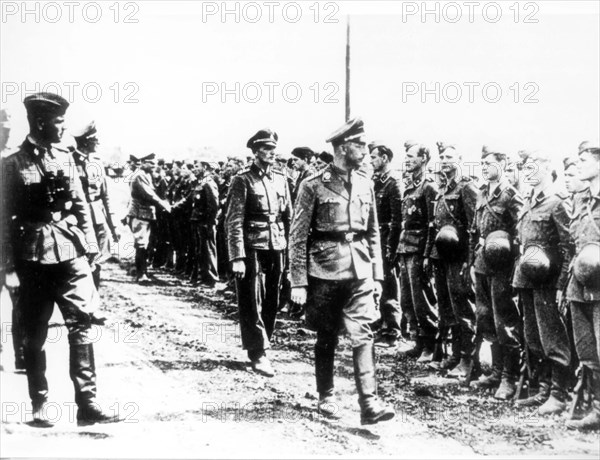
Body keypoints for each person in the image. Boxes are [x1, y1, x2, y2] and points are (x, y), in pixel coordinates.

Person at [0, 92, 121, 426]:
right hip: (33, 256)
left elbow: (81, 204)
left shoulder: (66, 157)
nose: (63, 128)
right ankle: (39, 404)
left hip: (70, 251)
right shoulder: (11, 164)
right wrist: (7, 268)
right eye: (58, 122)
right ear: (40, 122)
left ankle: (88, 403)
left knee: (83, 322)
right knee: (34, 331)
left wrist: (92, 247)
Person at [288, 117, 395, 425]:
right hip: (325, 270)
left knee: (363, 333)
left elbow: (373, 232)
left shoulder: (366, 183)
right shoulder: (312, 185)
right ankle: (326, 395)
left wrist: (377, 275)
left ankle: (369, 403)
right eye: (360, 145)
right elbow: (297, 236)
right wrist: (298, 281)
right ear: (344, 147)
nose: (366, 149)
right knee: (327, 335)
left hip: (359, 268)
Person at [225, 129, 292, 377]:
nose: (272, 152)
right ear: (255, 152)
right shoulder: (242, 180)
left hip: (277, 244)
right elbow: (233, 221)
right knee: (252, 298)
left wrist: (291, 250)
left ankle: (264, 342)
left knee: (273, 297)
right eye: (266, 148)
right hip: (252, 245)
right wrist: (237, 257)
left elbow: (289, 216)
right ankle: (258, 352)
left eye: (274, 148)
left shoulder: (280, 178)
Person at [512, 150, 572, 414]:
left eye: (533, 167)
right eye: (526, 167)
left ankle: (559, 394)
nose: (528, 171)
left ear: (547, 169)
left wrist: (561, 285)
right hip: (526, 276)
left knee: (552, 337)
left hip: (548, 279)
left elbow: (569, 246)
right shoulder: (527, 201)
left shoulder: (557, 202)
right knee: (532, 336)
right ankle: (543, 389)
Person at [470, 145, 524, 400]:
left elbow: (521, 231)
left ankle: (509, 378)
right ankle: (497, 371)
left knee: (505, 321)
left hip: (502, 266)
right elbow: (475, 230)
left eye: (489, 163)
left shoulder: (511, 195)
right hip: (482, 264)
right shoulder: (481, 193)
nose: (484, 167)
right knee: (485, 318)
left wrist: (513, 259)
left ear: (502, 165)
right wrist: (472, 261)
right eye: (482, 163)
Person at [429, 143, 478, 377]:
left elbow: (472, 228)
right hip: (442, 256)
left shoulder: (467, 187)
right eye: (442, 156)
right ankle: (455, 355)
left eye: (450, 156)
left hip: (458, 258)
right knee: (448, 308)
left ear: (460, 158)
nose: (445, 160)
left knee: (463, 309)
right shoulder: (443, 188)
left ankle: (469, 360)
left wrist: (469, 262)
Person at [565, 140, 600, 430]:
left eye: (585, 160)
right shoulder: (580, 199)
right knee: (586, 350)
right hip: (578, 283)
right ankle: (597, 409)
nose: (579, 165)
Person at [396, 142, 439, 362]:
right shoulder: (409, 186)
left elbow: (433, 224)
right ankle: (417, 341)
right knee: (407, 300)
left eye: (412, 156)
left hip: (419, 248)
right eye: (407, 156)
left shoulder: (429, 187)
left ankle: (430, 345)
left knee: (422, 300)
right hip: (405, 247)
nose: (408, 159)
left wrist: (427, 255)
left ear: (423, 159)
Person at [71, 121, 120, 289]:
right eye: (94, 139)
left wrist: (113, 227)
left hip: (98, 219)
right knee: (80, 263)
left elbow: (106, 197)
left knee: (97, 261)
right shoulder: (69, 161)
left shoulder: (98, 164)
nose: (97, 142)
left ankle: (94, 305)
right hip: (77, 221)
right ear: (86, 141)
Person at [369, 143, 403, 348]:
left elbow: (397, 221)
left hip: (386, 241)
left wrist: (391, 248)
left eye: (374, 157)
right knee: (376, 285)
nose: (371, 161)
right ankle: (381, 326)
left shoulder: (393, 183)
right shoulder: (374, 181)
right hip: (374, 241)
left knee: (390, 287)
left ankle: (392, 332)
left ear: (384, 158)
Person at [127, 154, 171, 282]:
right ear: (142, 163)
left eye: (154, 163)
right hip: (140, 214)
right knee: (141, 244)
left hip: (144, 214)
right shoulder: (140, 175)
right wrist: (165, 205)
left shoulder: (145, 175)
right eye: (150, 163)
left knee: (143, 245)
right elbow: (149, 194)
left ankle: (142, 272)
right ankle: (141, 275)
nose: (153, 166)